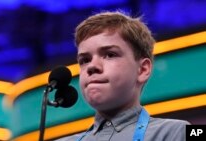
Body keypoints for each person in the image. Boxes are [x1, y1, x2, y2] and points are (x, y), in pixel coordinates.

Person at [57, 11, 189, 141]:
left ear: (142, 70)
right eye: (85, 60)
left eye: (110, 55)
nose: (92, 66)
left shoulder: (178, 132)